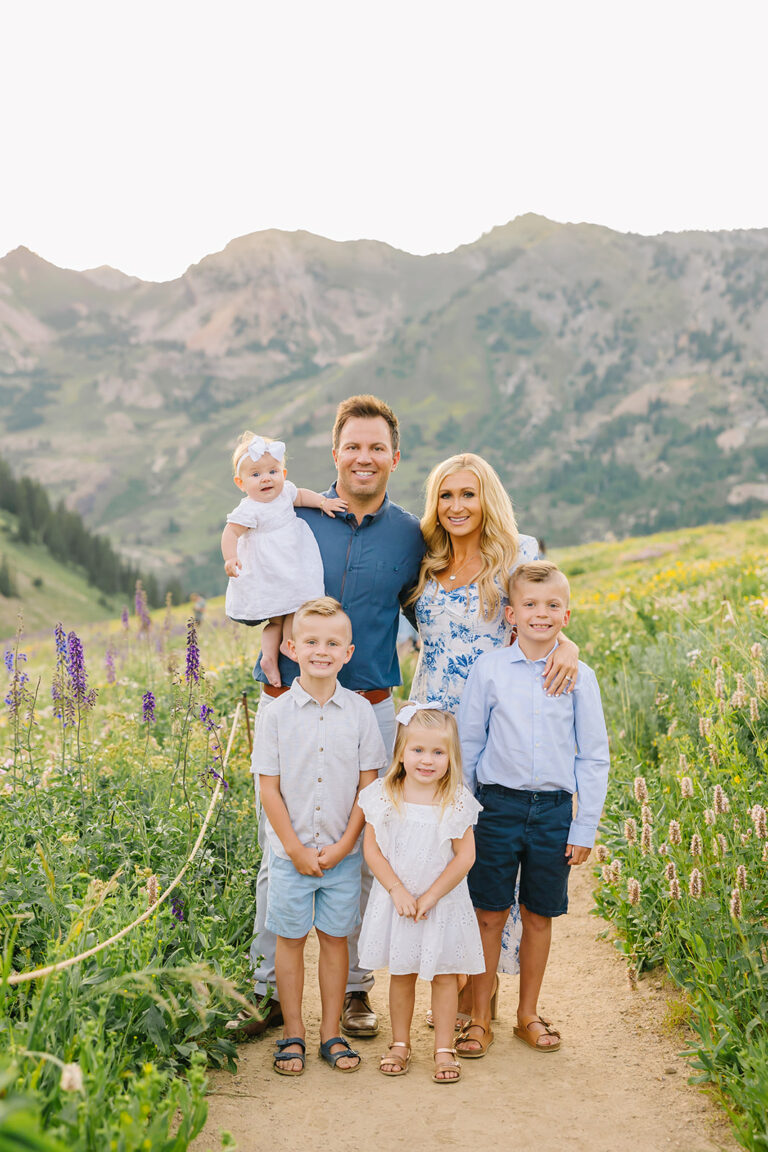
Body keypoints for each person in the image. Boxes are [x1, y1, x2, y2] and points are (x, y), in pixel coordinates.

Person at [229, 395, 425, 1040]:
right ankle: (265, 993)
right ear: (335, 454)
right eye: (352, 446)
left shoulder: (410, 535)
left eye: (377, 448)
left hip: (370, 709)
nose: (363, 457)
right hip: (289, 701)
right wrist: (267, 640)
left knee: (366, 851)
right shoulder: (296, 513)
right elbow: (253, 572)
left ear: (394, 458)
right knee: (276, 851)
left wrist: (552, 639)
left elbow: (452, 606)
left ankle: (357, 994)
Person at [407, 452, 579, 1016]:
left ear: (487, 499)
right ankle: (449, 983)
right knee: (437, 856)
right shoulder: (424, 564)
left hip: (496, 729)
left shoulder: (518, 554)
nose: (457, 507)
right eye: (446, 496)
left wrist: (570, 648)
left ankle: (481, 993)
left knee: (486, 858)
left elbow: (548, 610)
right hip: (432, 731)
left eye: (468, 494)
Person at [456, 561, 610, 1057]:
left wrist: (584, 825)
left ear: (567, 614)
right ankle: (479, 1018)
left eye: (552, 605)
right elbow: (470, 742)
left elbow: (593, 754)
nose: (541, 614)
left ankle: (527, 1013)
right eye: (530, 605)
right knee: (488, 914)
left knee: (539, 914)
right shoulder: (490, 670)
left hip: (553, 812)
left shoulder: (580, 677)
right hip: (496, 807)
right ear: (511, 614)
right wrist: (463, 812)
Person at [252, 597, 387, 1074]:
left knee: (335, 940)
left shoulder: (359, 713)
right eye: (311, 642)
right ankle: (293, 1032)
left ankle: (331, 1033)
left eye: (333, 643)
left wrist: (347, 843)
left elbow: (368, 784)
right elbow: (268, 787)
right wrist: (292, 847)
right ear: (291, 647)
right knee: (289, 939)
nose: (321, 651)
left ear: (348, 653)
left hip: (341, 853)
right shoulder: (277, 713)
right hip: (291, 856)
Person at [358, 703, 485, 1083]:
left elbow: (465, 857)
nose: (427, 760)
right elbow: (372, 850)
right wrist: (397, 889)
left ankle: (444, 1047)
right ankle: (400, 1043)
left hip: (441, 904)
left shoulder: (455, 798)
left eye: (438, 752)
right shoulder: (384, 794)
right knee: (402, 971)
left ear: (451, 756)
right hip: (399, 902)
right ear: (401, 752)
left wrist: (432, 895)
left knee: (444, 974)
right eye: (417, 750)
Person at [221, 432, 347, 687]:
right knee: (280, 614)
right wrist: (231, 557)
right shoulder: (249, 508)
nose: (266, 478)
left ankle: (281, 647)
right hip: (271, 566)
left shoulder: (286, 494)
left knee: (296, 605)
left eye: (272, 471)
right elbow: (231, 532)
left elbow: (301, 496)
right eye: (255, 475)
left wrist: (323, 502)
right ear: (241, 482)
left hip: (293, 561)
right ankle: (272, 654)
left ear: (283, 474)